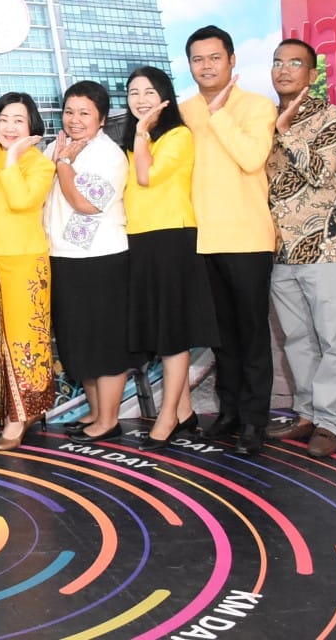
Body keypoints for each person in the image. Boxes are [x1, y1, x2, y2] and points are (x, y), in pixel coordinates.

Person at [180, 24, 278, 455]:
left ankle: (255, 420)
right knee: (221, 337)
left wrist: (219, 113)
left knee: (252, 334)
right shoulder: (183, 111)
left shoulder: (257, 106)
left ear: (232, 60)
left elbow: (252, 158)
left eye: (214, 57)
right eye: (198, 59)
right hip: (201, 238)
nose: (206, 66)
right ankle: (231, 411)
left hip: (247, 237)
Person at [264, 39, 336, 459]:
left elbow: (323, 173)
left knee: (332, 339)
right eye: (278, 62)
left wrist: (286, 133)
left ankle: (332, 422)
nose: (284, 70)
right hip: (280, 250)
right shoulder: (264, 118)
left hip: (326, 248)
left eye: (294, 63)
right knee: (296, 339)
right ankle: (306, 414)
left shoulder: (330, 117)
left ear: (312, 74)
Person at [120, 66, 216, 449]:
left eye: (149, 92)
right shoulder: (132, 142)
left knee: (173, 333)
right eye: (133, 92)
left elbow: (147, 177)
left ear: (164, 97)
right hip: (140, 240)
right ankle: (185, 411)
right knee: (161, 332)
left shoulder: (178, 136)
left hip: (172, 239)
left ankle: (167, 417)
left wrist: (142, 132)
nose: (140, 99)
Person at [45, 81, 134, 443]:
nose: (75, 119)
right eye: (69, 111)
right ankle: (96, 412)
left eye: (84, 113)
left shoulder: (109, 154)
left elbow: (86, 203)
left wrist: (64, 164)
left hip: (101, 260)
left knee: (105, 342)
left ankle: (109, 420)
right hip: (64, 256)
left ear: (102, 119)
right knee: (81, 341)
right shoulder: (57, 145)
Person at [0, 92, 55, 450]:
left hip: (23, 261)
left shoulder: (40, 164)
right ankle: (18, 408)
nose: (9, 127)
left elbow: (21, 201)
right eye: (3, 119)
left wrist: (13, 158)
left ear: (32, 125)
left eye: (18, 120)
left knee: (24, 340)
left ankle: (23, 414)